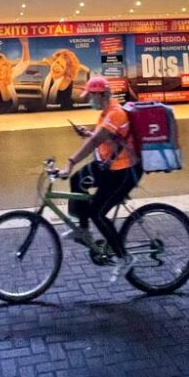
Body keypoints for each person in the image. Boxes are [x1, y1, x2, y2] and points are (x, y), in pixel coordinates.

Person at [60, 76, 143, 281]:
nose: (89, 99)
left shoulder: (115, 113)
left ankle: (124, 258)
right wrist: (87, 133)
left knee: (97, 212)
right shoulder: (106, 113)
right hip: (108, 166)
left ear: (100, 94)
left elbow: (97, 141)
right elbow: (102, 139)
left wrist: (71, 161)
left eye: (90, 96)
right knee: (78, 180)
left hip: (124, 171)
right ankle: (83, 230)